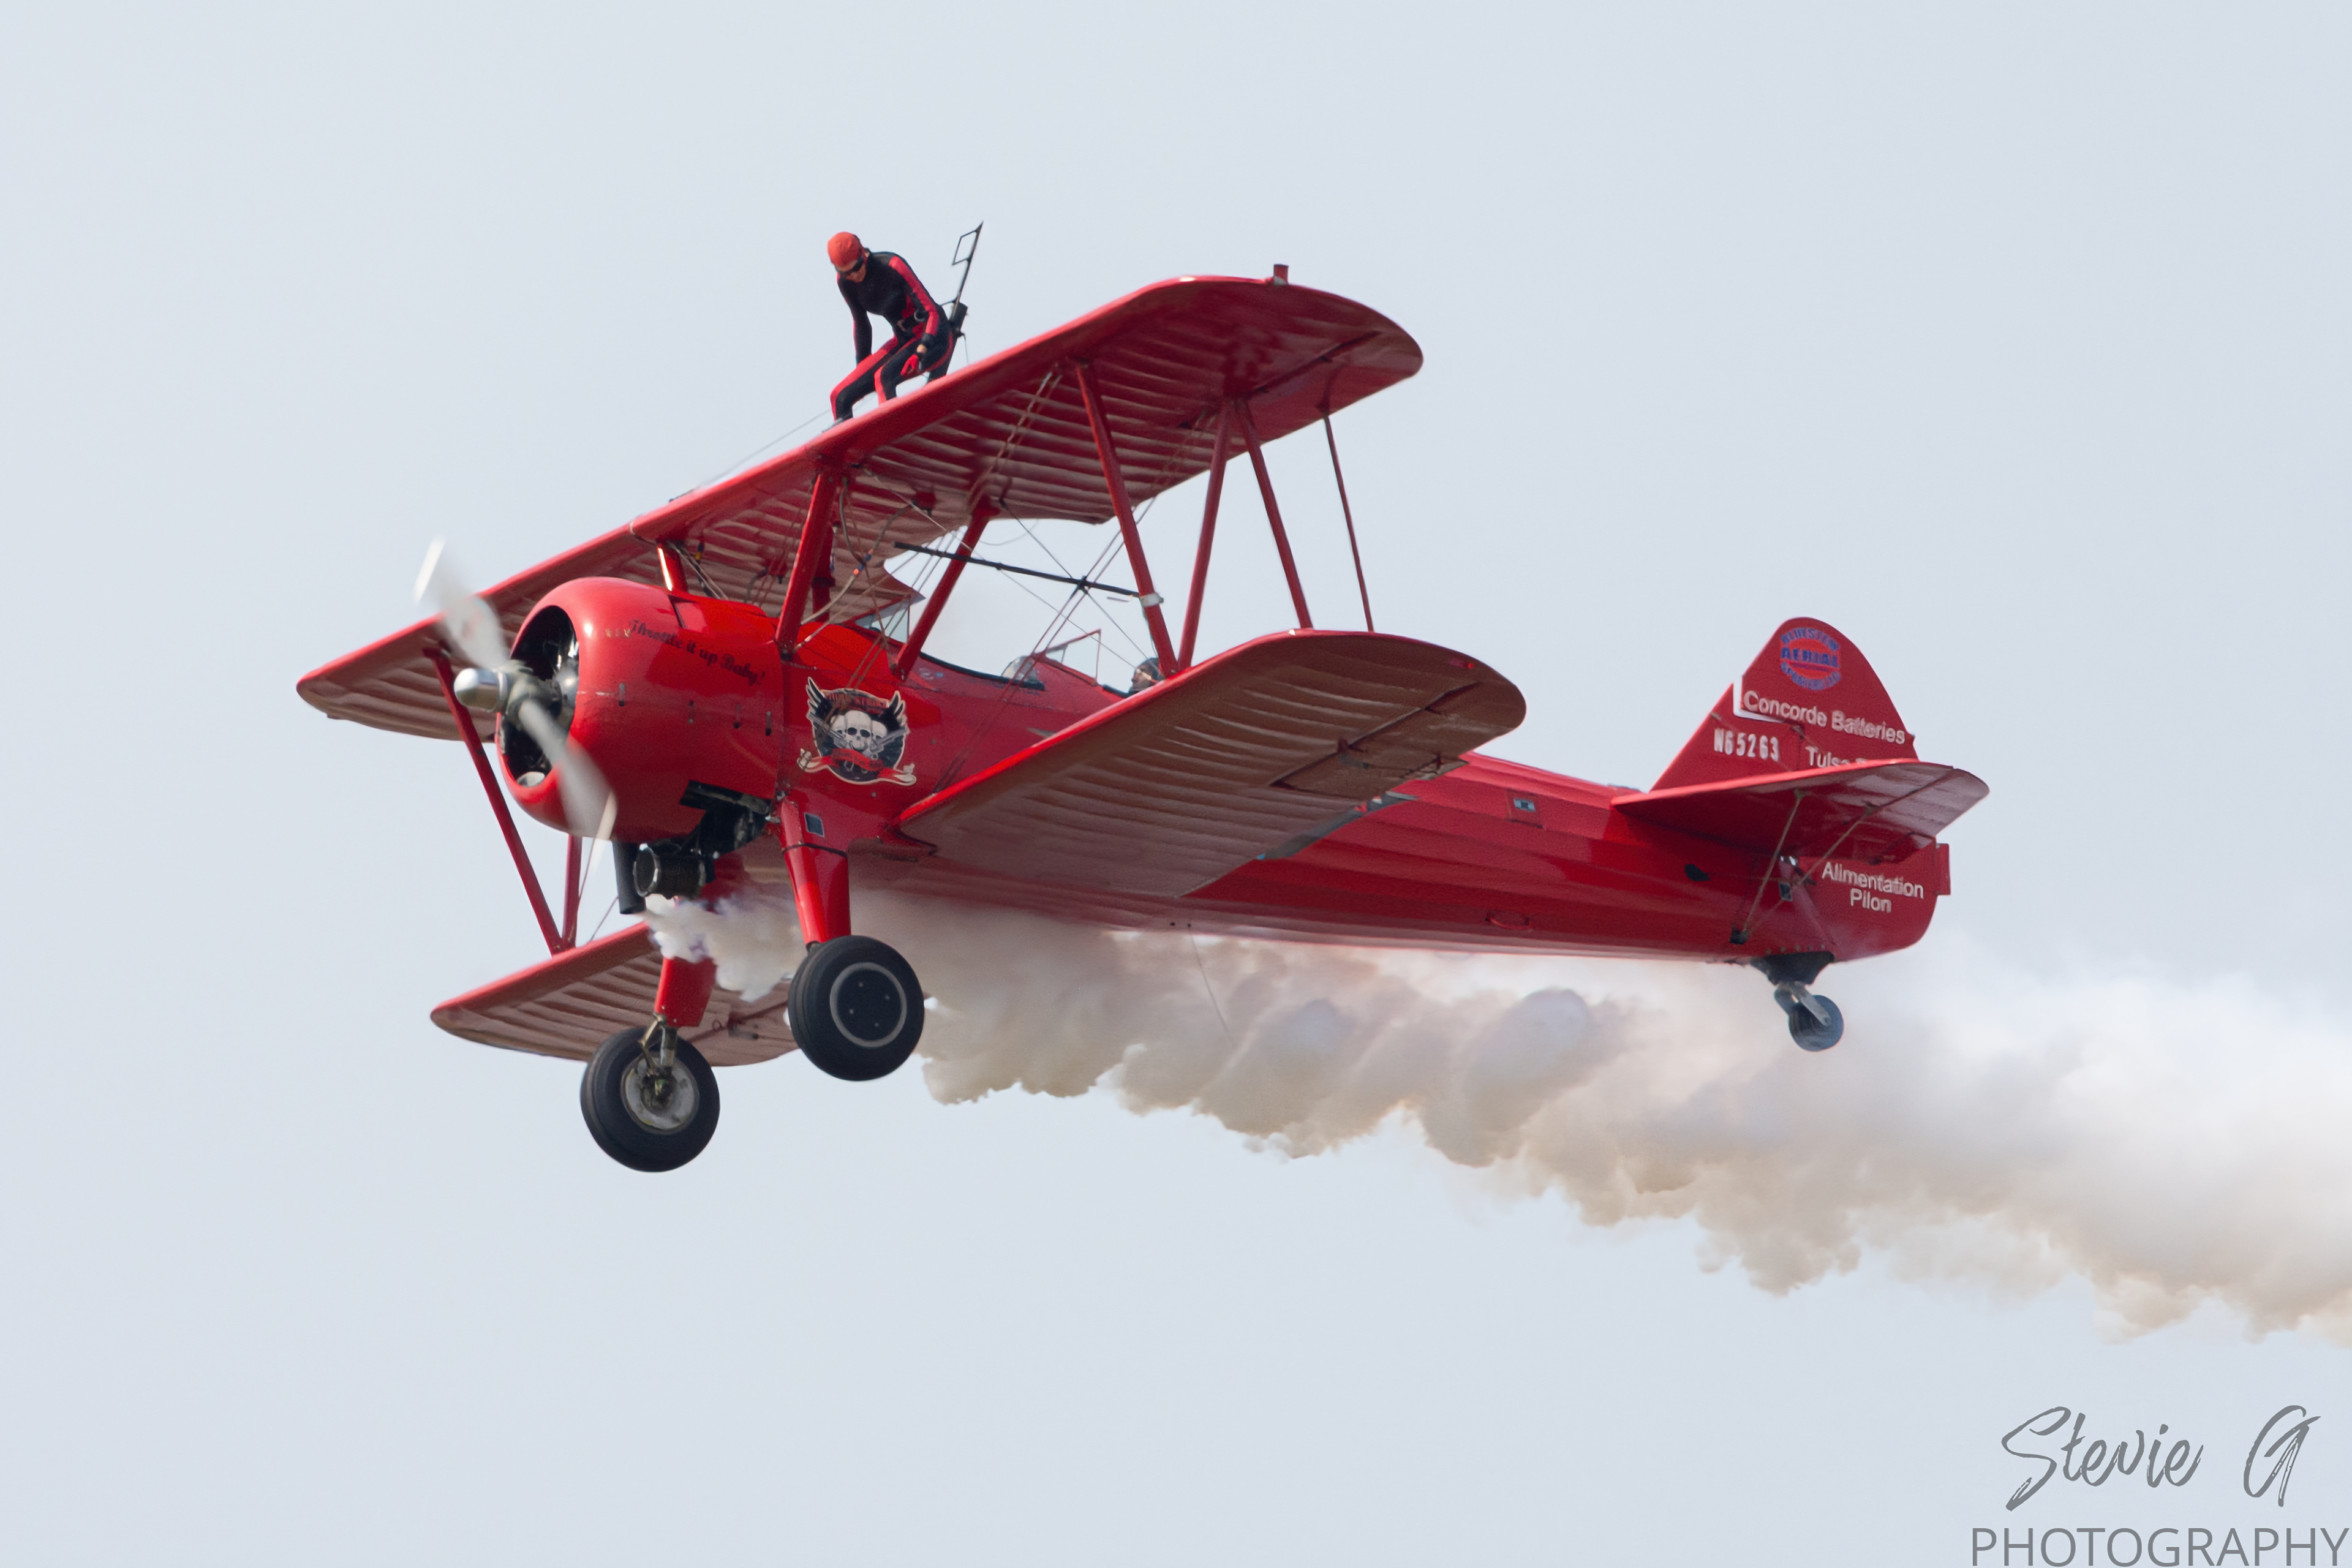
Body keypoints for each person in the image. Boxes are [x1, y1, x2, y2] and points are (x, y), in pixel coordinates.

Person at [827, 232, 949, 421]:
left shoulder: (892, 266)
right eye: (845, 273)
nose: (853, 276)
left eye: (856, 268)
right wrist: (862, 370)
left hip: (935, 337)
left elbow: (932, 312)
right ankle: (851, 451)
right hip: (902, 340)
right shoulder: (845, 283)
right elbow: (861, 324)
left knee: (884, 377)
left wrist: (922, 351)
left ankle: (893, 436)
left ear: (862, 255)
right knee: (840, 396)